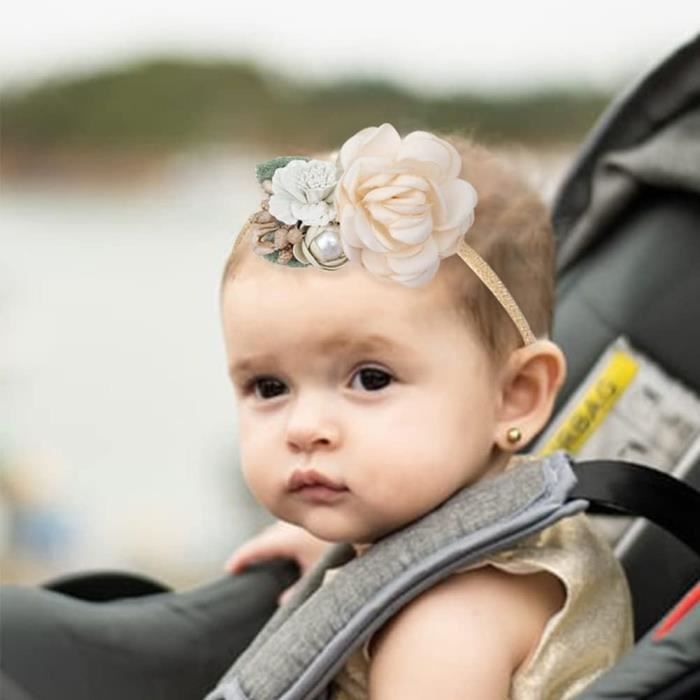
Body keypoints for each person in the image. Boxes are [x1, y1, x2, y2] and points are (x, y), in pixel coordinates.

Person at [217, 124, 632, 699]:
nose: (304, 428)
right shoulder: (515, 526)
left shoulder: (445, 632)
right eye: (269, 387)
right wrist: (348, 557)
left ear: (516, 395)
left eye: (371, 379)